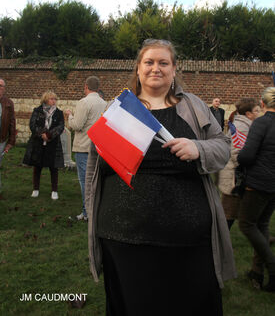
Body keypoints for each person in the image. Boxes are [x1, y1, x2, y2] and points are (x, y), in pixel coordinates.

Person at [85, 39, 236, 316]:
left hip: (189, 237)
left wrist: (198, 148)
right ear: (139, 68)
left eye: (163, 62)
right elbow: (97, 167)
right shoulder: (118, 108)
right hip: (124, 236)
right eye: (149, 62)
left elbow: (223, 147)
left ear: (175, 69)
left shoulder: (194, 107)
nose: (156, 68)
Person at [237, 86, 275, 292]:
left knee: (247, 225)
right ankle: (257, 272)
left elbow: (246, 156)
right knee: (262, 224)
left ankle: (272, 267)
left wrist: (240, 158)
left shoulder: (261, 123)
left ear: (263, 104)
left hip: (258, 183)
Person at [65, 76, 106, 221]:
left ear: (86, 86)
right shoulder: (104, 103)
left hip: (83, 147)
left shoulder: (84, 102)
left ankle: (87, 213)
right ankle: (96, 210)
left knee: (85, 181)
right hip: (98, 147)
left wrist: (70, 116)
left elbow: (76, 125)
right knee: (96, 181)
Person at [218, 98, 261, 230]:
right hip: (234, 176)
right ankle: (220, 240)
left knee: (249, 209)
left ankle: (260, 234)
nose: (259, 113)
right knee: (229, 212)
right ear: (248, 114)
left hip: (238, 175)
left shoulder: (245, 125)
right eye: (257, 111)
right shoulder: (242, 127)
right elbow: (237, 153)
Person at [23, 91, 64, 200]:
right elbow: (32, 125)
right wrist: (42, 134)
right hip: (38, 142)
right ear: (45, 100)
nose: (54, 101)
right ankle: (36, 189)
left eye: (55, 99)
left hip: (53, 143)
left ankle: (54, 191)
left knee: (53, 168)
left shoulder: (59, 113)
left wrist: (49, 135)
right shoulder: (37, 111)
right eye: (51, 99)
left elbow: (61, 126)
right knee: (37, 166)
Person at [0, 78, 16, 192]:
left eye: (1, 86)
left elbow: (12, 123)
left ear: (4, 89)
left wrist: (11, 142)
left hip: (1, 140)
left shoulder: (8, 103)